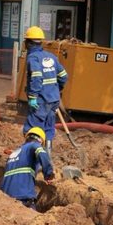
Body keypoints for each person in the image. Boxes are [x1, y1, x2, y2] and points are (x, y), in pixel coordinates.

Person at [22, 26, 68, 154]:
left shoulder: (33, 58)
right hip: (53, 100)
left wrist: (32, 97)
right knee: (48, 129)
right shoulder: (51, 56)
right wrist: (56, 89)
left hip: (40, 101)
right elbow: (64, 76)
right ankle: (47, 157)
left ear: (29, 43)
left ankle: (31, 157)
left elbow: (36, 77)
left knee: (33, 129)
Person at [1, 127, 55, 210]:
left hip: (4, 197)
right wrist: (48, 174)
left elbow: (22, 168)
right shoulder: (34, 145)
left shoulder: (14, 153)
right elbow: (42, 153)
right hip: (22, 197)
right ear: (40, 140)